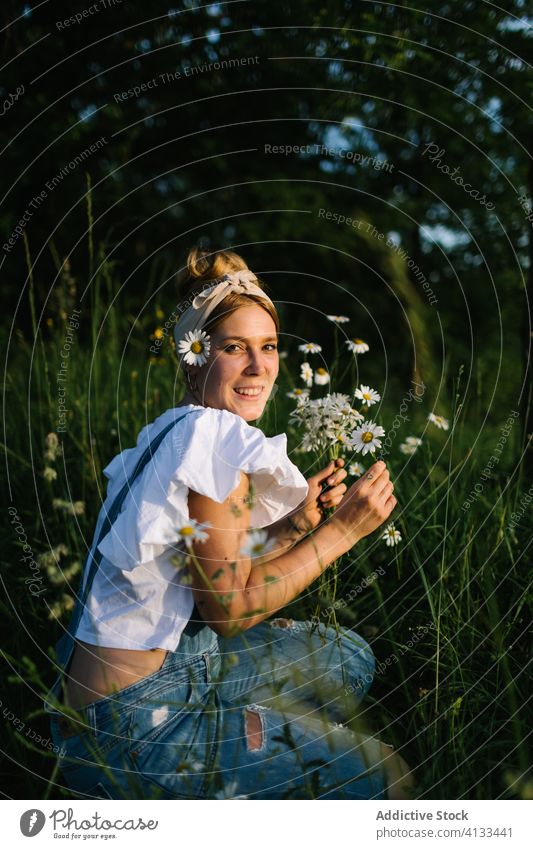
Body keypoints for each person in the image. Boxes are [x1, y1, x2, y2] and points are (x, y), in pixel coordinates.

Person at [43, 246, 414, 800]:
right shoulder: (215, 440)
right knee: (379, 773)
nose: (259, 367)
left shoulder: (173, 431)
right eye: (233, 348)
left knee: (346, 655)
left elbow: (199, 577)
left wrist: (290, 529)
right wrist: (344, 530)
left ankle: (254, 745)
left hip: (93, 711)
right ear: (194, 355)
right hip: (133, 734)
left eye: (268, 348)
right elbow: (230, 613)